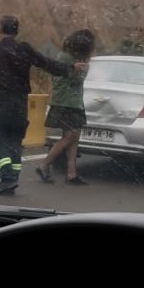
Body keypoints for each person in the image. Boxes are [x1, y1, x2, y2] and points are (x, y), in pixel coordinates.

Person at [0, 16, 86, 195]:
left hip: (2, 101)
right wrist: (70, 68)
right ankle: (13, 178)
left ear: (1, 29)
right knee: (16, 140)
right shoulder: (24, 49)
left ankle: (6, 178)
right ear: (16, 31)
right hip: (20, 103)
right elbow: (46, 64)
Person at [36, 29, 95, 185]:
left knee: (74, 138)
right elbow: (76, 79)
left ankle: (71, 173)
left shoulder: (65, 56)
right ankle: (44, 164)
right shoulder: (68, 59)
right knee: (70, 136)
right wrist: (84, 69)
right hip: (66, 102)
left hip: (71, 102)